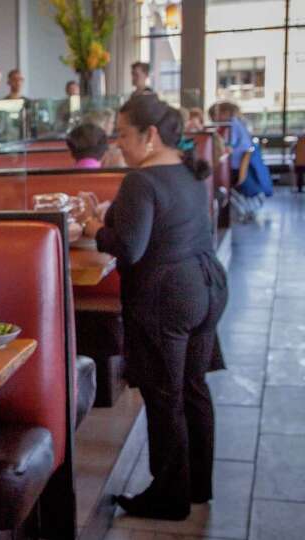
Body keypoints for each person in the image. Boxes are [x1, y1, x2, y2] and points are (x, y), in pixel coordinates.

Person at [83, 94, 228, 520]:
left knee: (165, 396)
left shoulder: (140, 181)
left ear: (149, 135)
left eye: (124, 134)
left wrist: (95, 227)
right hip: (207, 284)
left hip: (166, 295)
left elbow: (129, 248)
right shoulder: (186, 170)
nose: (119, 143)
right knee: (194, 387)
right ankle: (197, 485)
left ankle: (169, 497)